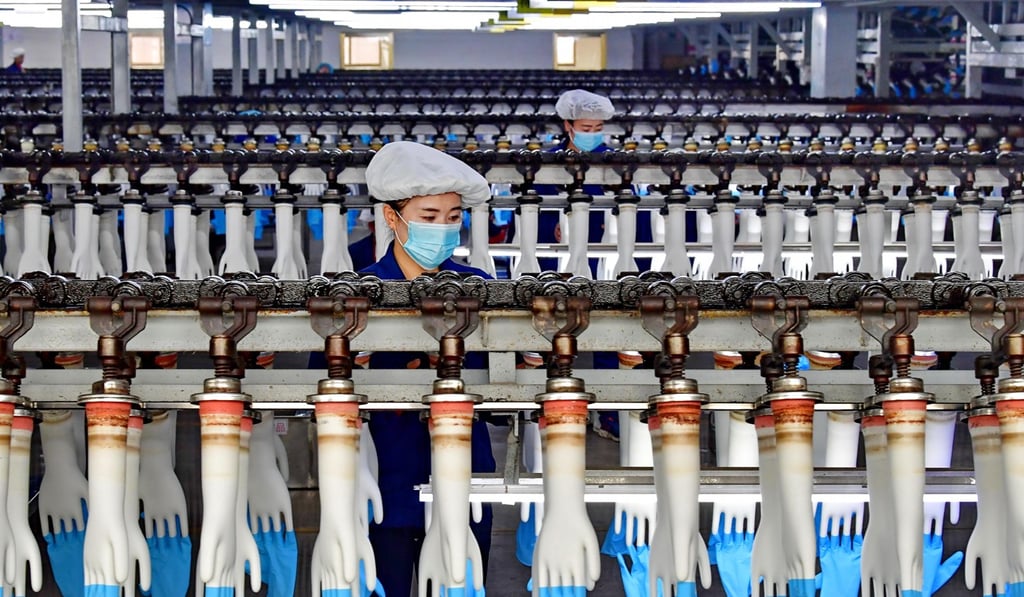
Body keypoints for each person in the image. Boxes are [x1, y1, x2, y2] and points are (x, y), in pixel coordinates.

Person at [327, 141, 496, 596]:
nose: (443, 228)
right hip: (385, 474)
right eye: (429, 216)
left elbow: (504, 396)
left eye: (453, 217)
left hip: (465, 473)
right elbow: (316, 387)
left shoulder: (479, 287)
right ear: (391, 217)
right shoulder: (356, 293)